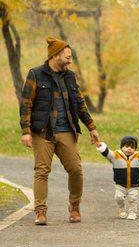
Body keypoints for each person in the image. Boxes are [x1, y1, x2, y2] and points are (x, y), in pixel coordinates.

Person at [19, 36, 100, 225]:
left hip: (66, 130)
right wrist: (25, 131)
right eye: (67, 57)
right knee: (42, 171)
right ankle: (40, 212)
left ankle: (74, 206)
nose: (70, 60)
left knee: (76, 170)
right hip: (43, 132)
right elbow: (26, 104)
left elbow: (79, 103)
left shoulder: (69, 76)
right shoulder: (36, 74)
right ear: (55, 56)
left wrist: (92, 127)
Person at [96, 136, 139, 220]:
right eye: (126, 146)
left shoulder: (137, 157)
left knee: (133, 199)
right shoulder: (115, 156)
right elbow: (107, 153)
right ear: (122, 147)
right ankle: (122, 208)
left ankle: (132, 213)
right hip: (120, 185)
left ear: (135, 149)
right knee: (118, 197)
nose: (129, 149)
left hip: (133, 185)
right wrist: (101, 146)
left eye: (132, 147)